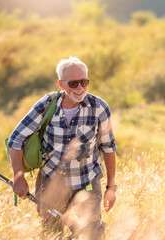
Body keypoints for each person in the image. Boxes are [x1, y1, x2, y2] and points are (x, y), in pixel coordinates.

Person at [7, 56, 117, 239]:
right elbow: (15, 140)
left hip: (87, 183)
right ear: (61, 84)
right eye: (73, 84)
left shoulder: (99, 107)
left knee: (92, 234)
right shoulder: (46, 104)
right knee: (51, 234)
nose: (80, 88)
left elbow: (109, 147)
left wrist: (111, 188)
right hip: (50, 183)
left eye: (84, 82)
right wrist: (19, 177)